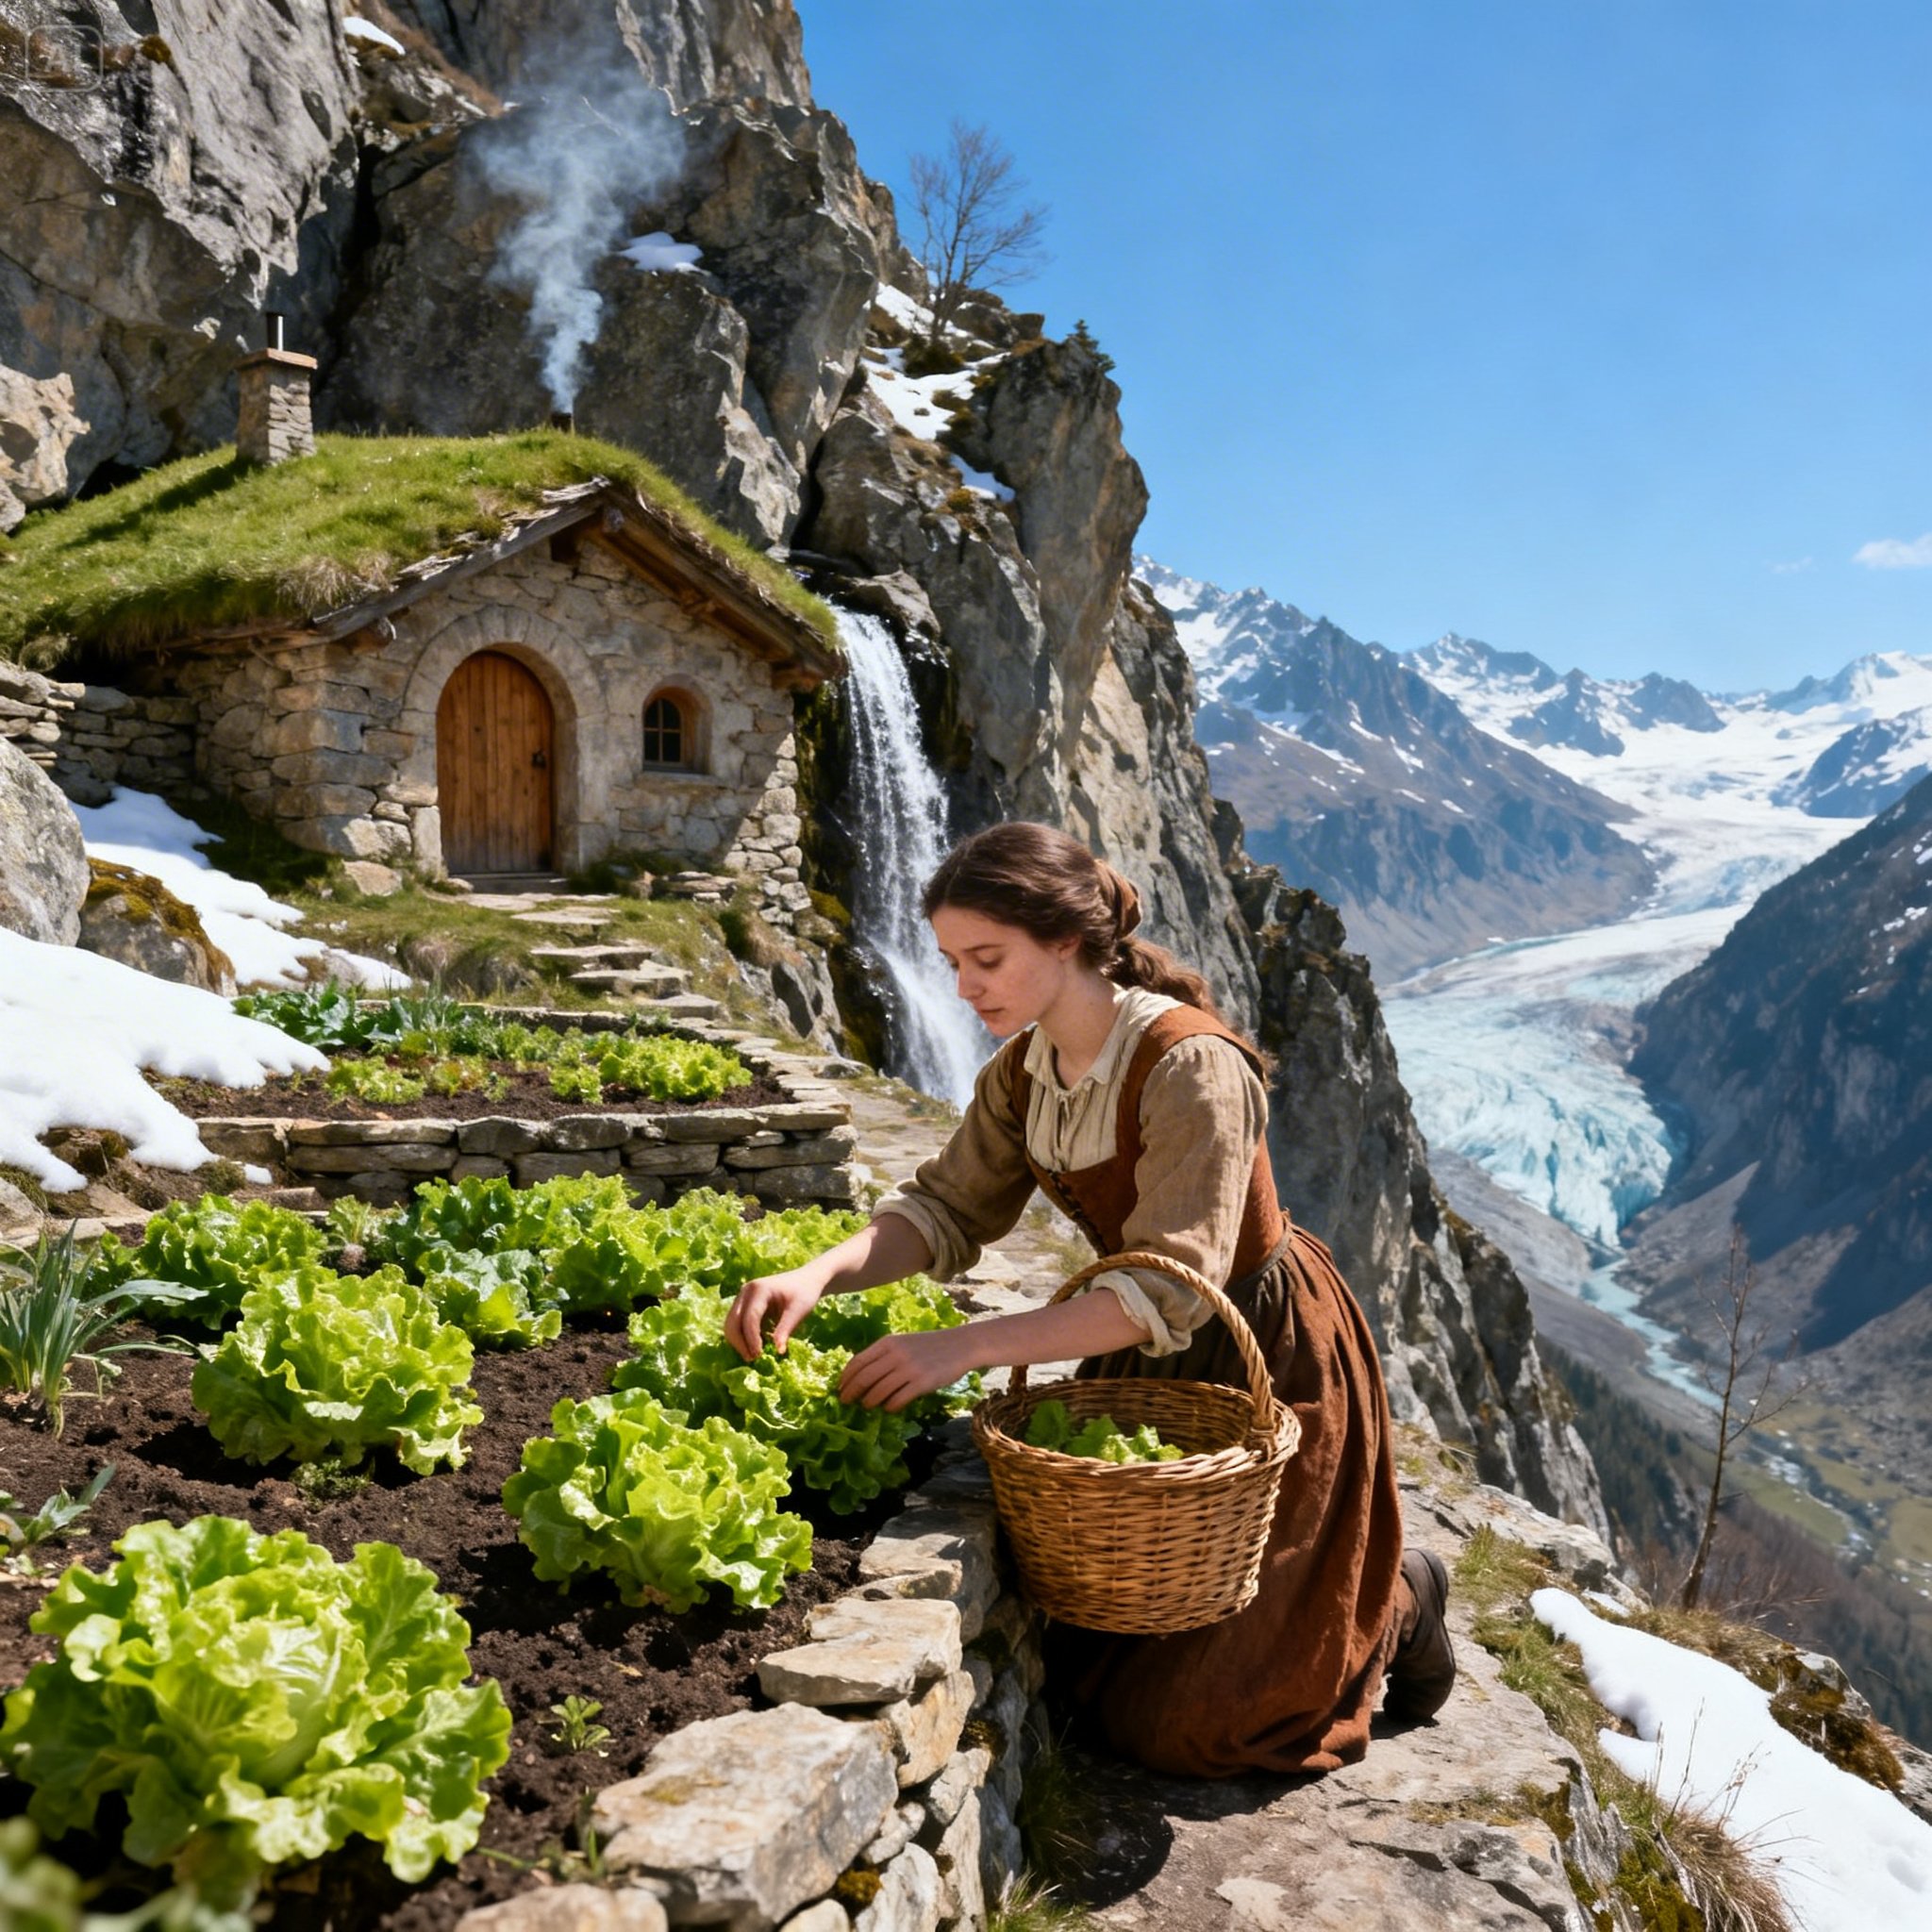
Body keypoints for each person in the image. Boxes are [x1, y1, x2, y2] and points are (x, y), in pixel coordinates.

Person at [724, 822, 1454, 1776]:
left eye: (986, 958)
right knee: (1079, 1670)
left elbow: (1167, 1282)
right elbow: (944, 1206)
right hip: (1137, 1343)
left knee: (1197, 1723)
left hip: (1260, 1344)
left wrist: (959, 1347)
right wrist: (818, 1269)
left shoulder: (1191, 1064)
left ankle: (1399, 1598)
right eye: (951, 961)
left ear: (1064, 940)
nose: (963, 986)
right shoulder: (1023, 1070)